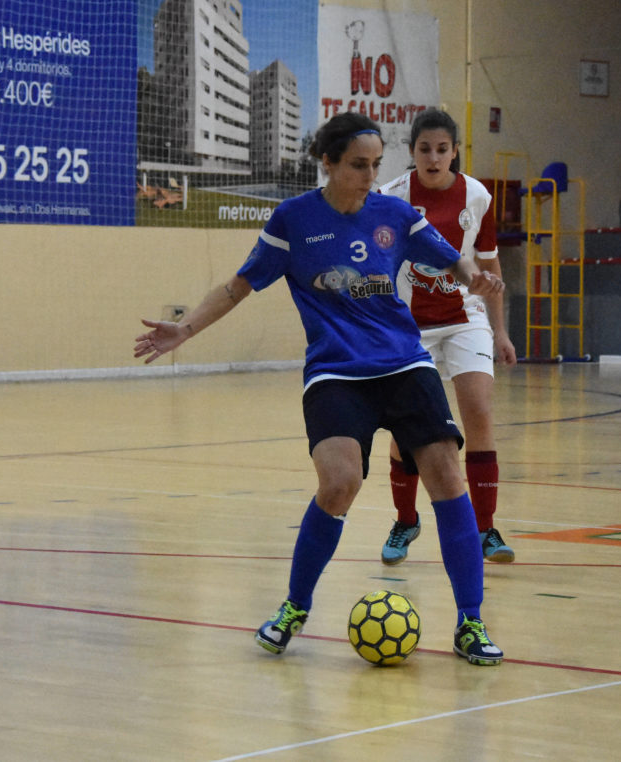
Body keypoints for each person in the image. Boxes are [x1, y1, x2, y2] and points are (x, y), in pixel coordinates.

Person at [134, 113, 505, 665]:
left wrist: (472, 275)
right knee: (339, 483)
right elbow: (239, 286)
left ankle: (469, 622)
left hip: (404, 363)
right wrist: (184, 329)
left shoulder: (396, 214)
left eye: (376, 165)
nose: (369, 175)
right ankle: (294, 607)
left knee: (448, 476)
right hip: (336, 372)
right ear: (327, 163)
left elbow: (451, 257)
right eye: (358, 165)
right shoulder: (294, 220)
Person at [375, 108, 518, 566]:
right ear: (412, 152)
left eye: (442, 150)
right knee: (405, 427)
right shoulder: (390, 199)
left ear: (455, 152)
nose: (433, 158)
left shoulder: (476, 196)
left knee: (477, 410)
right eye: (424, 150)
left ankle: (485, 527)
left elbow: (490, 266)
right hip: (409, 327)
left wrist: (501, 331)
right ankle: (405, 521)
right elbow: (376, 268)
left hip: (465, 317)